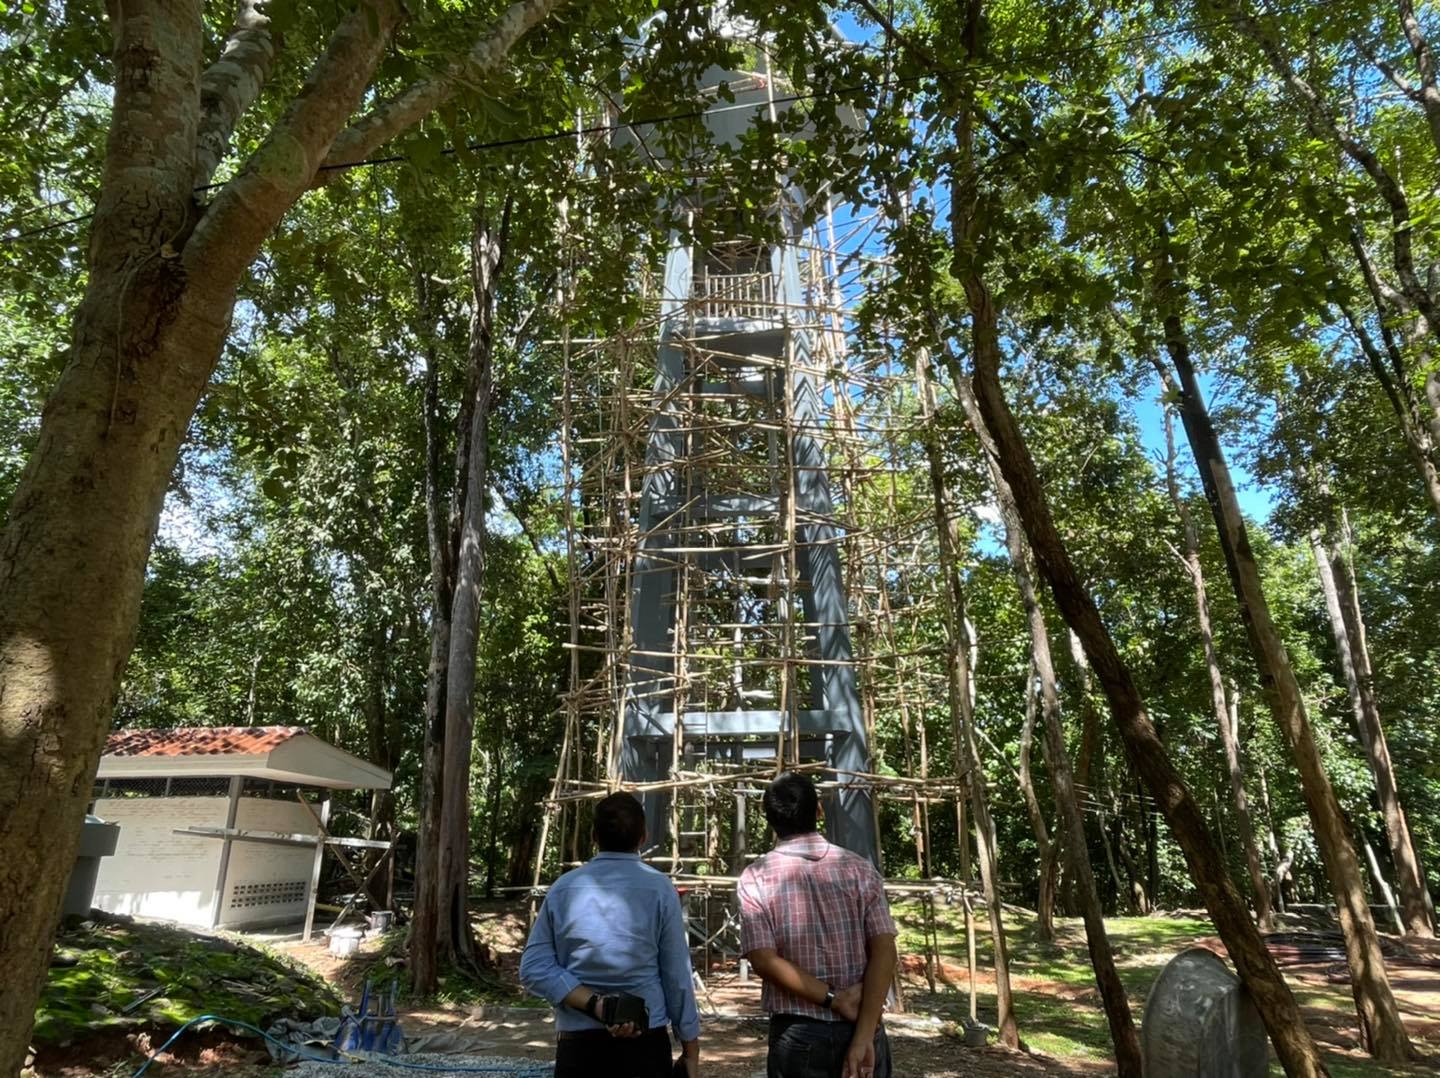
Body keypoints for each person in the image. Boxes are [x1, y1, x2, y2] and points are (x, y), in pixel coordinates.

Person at [520, 792, 701, 1078]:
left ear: (594, 836)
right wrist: (690, 1049)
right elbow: (677, 975)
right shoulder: (660, 889)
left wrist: (596, 1005)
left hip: (580, 1047)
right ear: (643, 837)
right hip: (645, 1046)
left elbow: (534, 968)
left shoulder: (564, 889)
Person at [738, 773, 898, 1078]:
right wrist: (864, 1036)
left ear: (769, 819)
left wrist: (834, 999)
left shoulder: (756, 877)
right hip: (861, 1024)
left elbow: (763, 960)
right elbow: (885, 952)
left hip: (799, 1035)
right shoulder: (860, 870)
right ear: (819, 810)